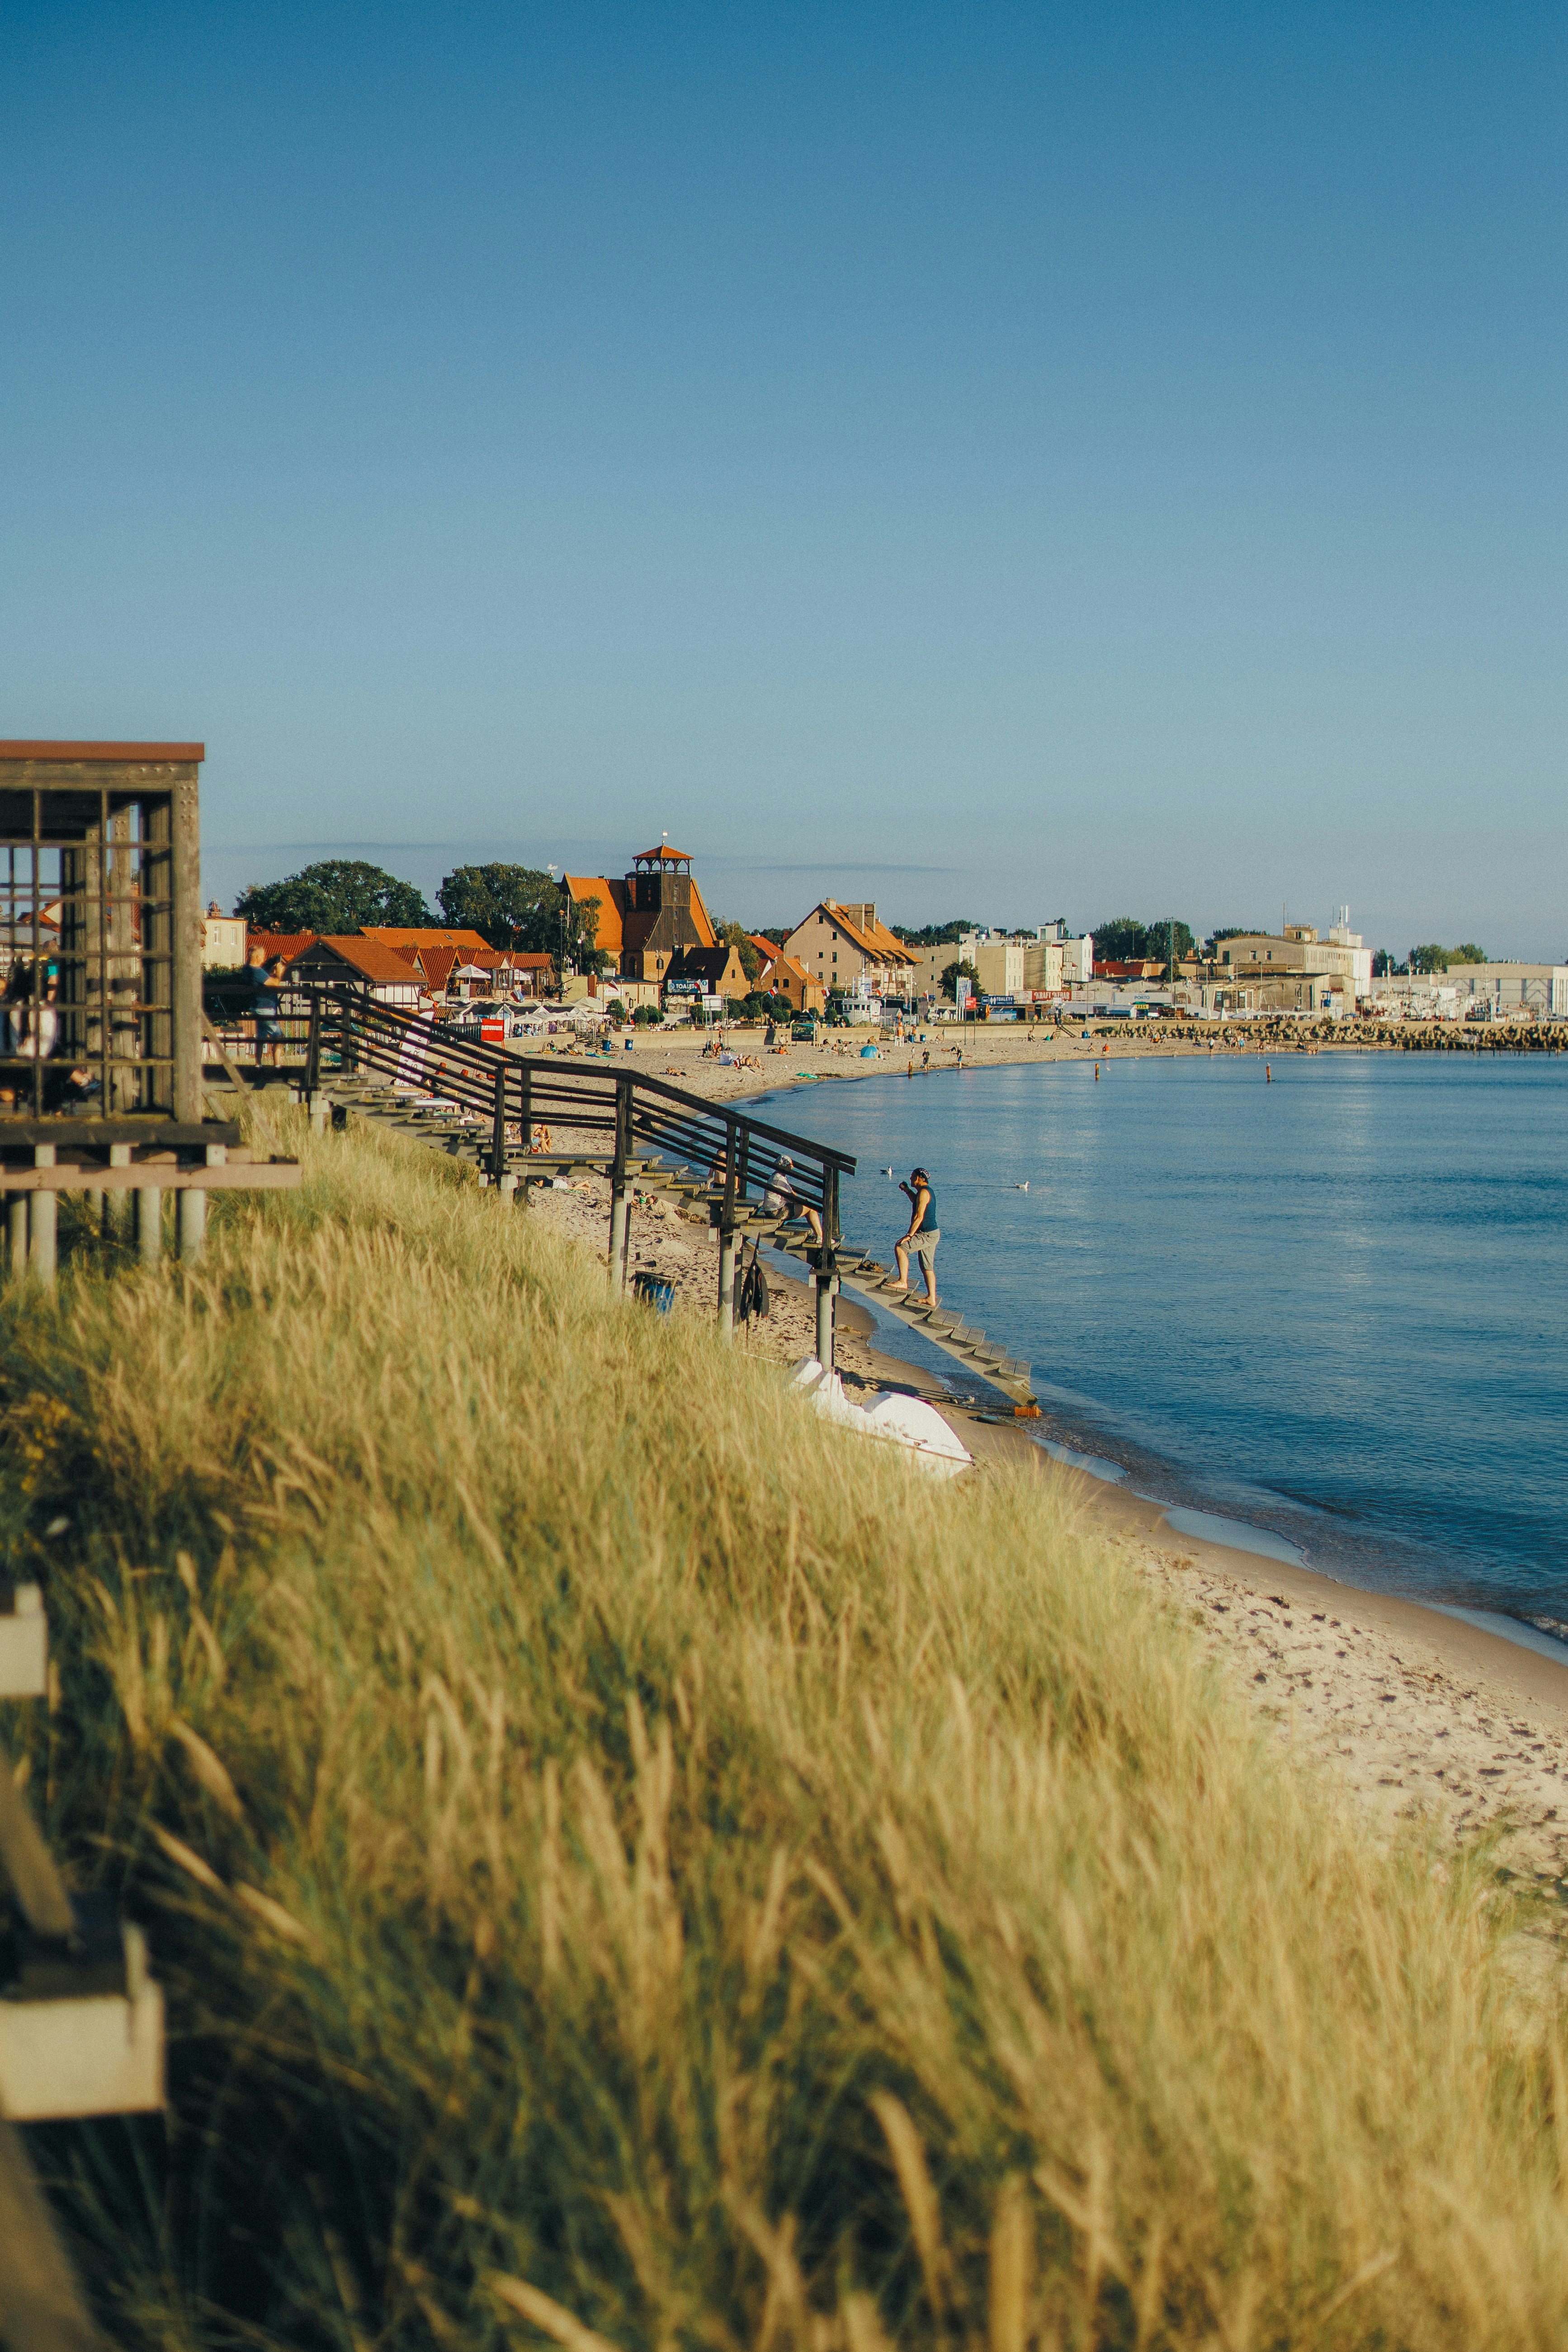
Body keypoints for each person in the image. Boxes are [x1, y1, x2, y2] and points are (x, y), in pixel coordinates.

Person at [888, 1166, 939, 1306]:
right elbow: (915, 1201)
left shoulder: (924, 1193)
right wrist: (907, 1190)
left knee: (900, 1247)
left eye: (912, 1176)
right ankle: (931, 1299)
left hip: (927, 1234)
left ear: (918, 1178)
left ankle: (903, 1282)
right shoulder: (924, 1192)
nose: (910, 1178)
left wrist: (910, 1235)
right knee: (927, 1268)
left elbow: (919, 1216)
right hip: (933, 1233)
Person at [762, 1152, 822, 1247]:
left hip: (772, 1209)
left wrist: (802, 1201)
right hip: (776, 1211)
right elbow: (792, 1197)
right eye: (790, 1166)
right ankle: (820, 1237)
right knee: (811, 1208)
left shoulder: (777, 1176)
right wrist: (804, 1203)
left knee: (807, 1206)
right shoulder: (779, 1179)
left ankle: (818, 1235)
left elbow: (791, 1194)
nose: (792, 1168)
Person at [244, 945, 286, 1067]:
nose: (264, 958)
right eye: (263, 955)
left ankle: (258, 1064)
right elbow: (274, 983)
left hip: (256, 1008)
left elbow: (265, 981)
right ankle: (277, 1065)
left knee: (261, 1037)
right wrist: (278, 974)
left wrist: (271, 974)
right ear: (258, 957)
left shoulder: (248, 970)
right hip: (265, 1009)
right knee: (279, 1036)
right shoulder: (257, 971)